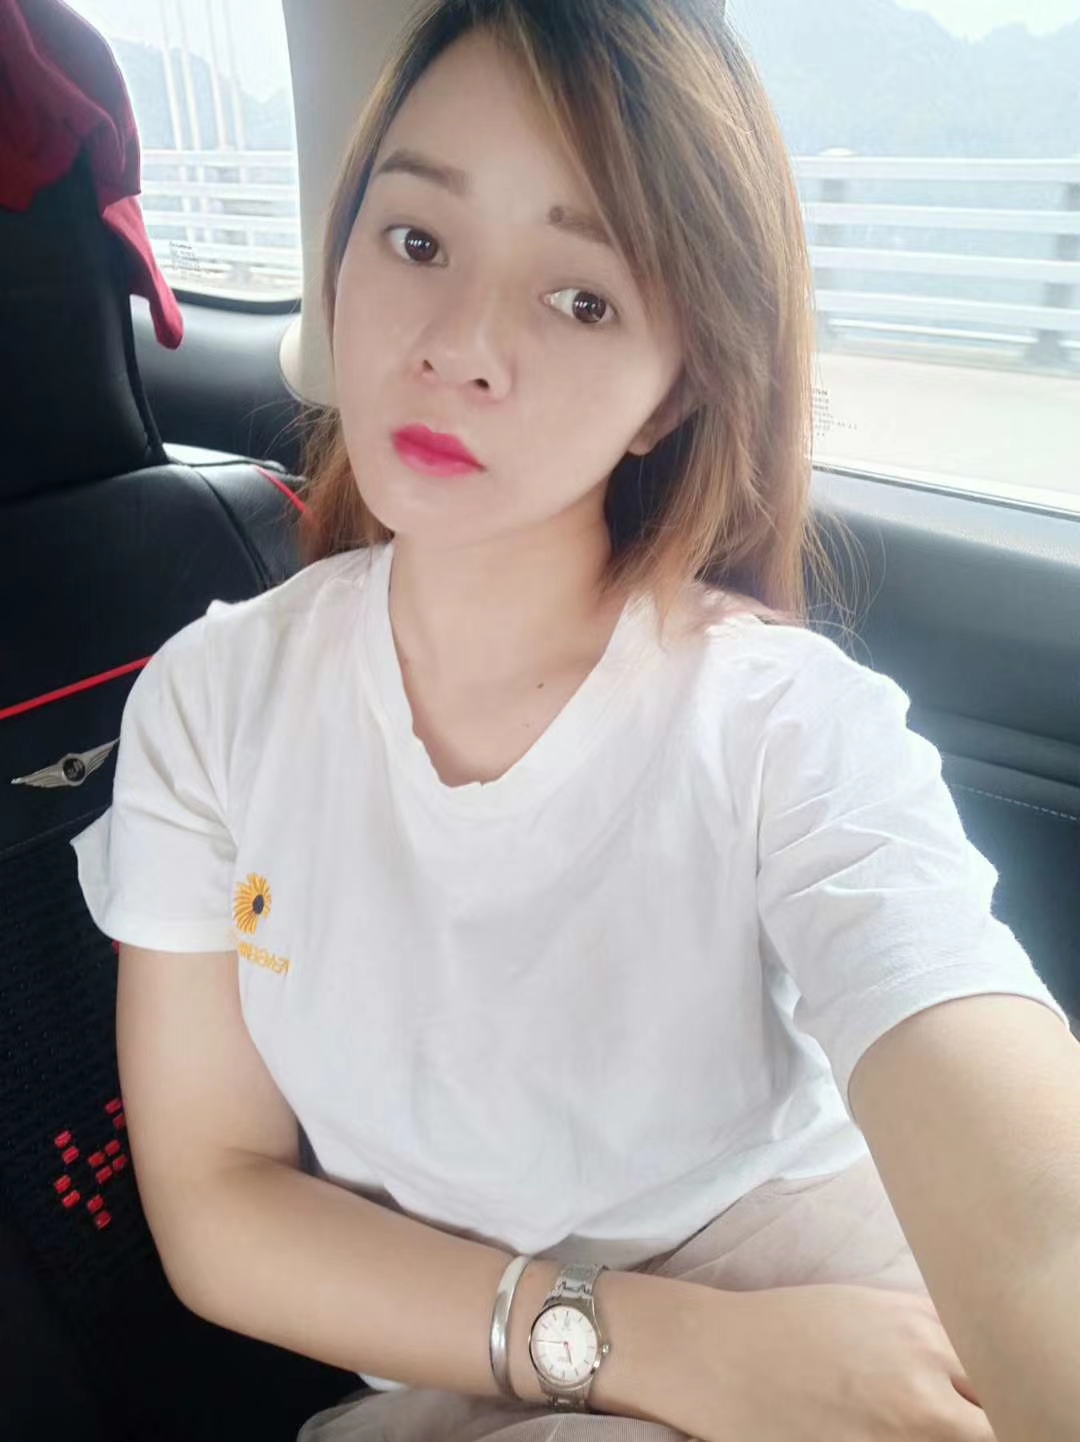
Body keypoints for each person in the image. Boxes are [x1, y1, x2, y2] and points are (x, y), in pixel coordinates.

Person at [69, 2, 1073, 1440]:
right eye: (417, 239)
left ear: (675, 391)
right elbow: (217, 1199)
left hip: (851, 1317)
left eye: (583, 297)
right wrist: (668, 1350)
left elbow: (1035, 1214)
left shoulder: (786, 726)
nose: (461, 344)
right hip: (478, 1354)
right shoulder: (213, 704)